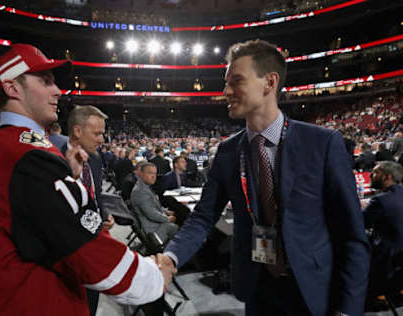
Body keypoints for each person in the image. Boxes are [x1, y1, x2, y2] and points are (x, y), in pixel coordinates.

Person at [157, 39, 370, 316]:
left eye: (236, 81)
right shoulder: (228, 151)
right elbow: (203, 217)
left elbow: (352, 236)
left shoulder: (322, 143)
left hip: (314, 288)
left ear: (269, 83)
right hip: (257, 287)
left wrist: (348, 310)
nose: (226, 91)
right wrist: (171, 258)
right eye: (226, 82)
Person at [0, 43, 175, 316]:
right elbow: (88, 253)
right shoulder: (26, 155)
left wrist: (70, 177)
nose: (57, 91)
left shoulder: (6, 147)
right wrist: (154, 276)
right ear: (12, 87)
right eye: (45, 81)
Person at [61, 105, 116, 316]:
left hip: (94, 250)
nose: (102, 139)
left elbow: (97, 194)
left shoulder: (94, 158)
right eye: (97, 133)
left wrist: (104, 215)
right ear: (77, 131)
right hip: (67, 256)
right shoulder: (54, 158)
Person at [363, 161, 403, 307]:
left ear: (387, 177)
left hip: (387, 262)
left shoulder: (380, 201)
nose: (371, 175)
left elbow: (361, 223)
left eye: (375, 173)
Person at [131, 162, 178, 245]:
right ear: (141, 174)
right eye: (150, 173)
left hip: (153, 224)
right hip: (153, 230)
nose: (153, 176)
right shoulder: (140, 191)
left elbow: (152, 205)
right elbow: (151, 213)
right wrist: (167, 218)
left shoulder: (144, 187)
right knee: (181, 228)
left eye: (155, 174)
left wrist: (166, 211)